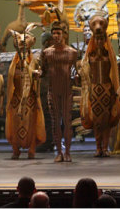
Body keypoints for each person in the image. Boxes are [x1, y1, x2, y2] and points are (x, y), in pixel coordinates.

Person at [80, 15, 120, 157]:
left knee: (107, 120)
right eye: (96, 39)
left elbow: (114, 72)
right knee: (97, 120)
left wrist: (115, 90)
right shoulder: (89, 57)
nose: (98, 41)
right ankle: (98, 148)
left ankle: (105, 147)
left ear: (104, 40)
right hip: (95, 90)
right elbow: (85, 74)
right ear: (93, 40)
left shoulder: (109, 55)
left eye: (101, 39)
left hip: (107, 89)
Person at [40, 21, 78, 162]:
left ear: (63, 34)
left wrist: (77, 76)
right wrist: (36, 73)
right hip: (53, 90)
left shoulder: (72, 52)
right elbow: (43, 71)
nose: (56, 35)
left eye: (58, 33)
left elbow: (75, 71)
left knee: (67, 122)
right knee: (55, 122)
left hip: (67, 90)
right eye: (54, 33)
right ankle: (59, 152)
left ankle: (67, 152)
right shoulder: (47, 53)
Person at [6, 28, 46, 159]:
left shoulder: (35, 60)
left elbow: (38, 74)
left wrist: (35, 73)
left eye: (26, 38)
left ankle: (32, 148)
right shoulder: (14, 62)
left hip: (30, 98)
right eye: (19, 39)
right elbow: (12, 77)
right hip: (16, 97)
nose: (22, 41)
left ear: (32, 41)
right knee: (15, 122)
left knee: (31, 122)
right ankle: (15, 148)